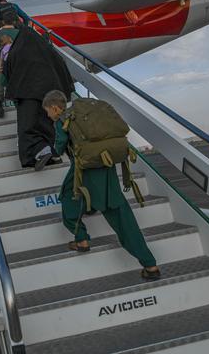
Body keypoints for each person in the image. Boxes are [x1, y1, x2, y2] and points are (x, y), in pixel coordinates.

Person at [42, 90, 161, 280]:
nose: (48, 115)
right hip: (106, 167)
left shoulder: (62, 121)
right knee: (122, 217)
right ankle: (150, 264)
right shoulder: (83, 115)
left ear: (55, 108)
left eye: (48, 111)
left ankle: (81, 239)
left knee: (67, 198)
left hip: (84, 171)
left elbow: (59, 148)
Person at [3, 25, 74, 170]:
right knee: (46, 125)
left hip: (28, 92)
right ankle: (49, 152)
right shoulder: (47, 50)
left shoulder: (18, 50)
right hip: (50, 94)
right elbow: (62, 67)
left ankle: (33, 156)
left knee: (27, 126)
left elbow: (8, 69)